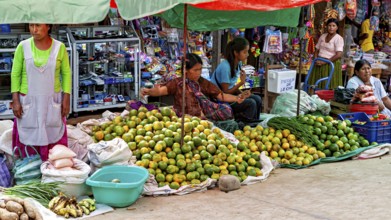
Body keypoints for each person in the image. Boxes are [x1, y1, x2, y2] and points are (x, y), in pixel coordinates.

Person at [140, 53, 250, 132]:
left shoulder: (203, 82)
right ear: (186, 70)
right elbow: (160, 90)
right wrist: (149, 91)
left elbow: (221, 96)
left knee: (230, 121)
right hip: (183, 122)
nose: (199, 73)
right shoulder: (177, 83)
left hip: (202, 121)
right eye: (195, 70)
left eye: (200, 69)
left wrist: (237, 98)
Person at [11, 24, 72, 161]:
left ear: (48, 26)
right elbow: (15, 74)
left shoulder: (59, 47)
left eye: (38, 25)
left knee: (52, 132)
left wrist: (66, 98)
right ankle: (29, 168)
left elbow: (66, 74)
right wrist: (15, 100)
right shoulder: (23, 46)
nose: (34, 29)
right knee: (29, 133)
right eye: (31, 25)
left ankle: (52, 170)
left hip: (51, 101)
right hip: (28, 101)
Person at [209, 37, 262, 122]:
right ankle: (246, 127)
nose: (247, 54)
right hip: (221, 100)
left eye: (247, 51)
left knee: (257, 99)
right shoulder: (225, 67)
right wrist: (241, 83)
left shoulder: (239, 64)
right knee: (251, 103)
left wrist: (242, 93)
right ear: (236, 53)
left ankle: (255, 125)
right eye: (245, 52)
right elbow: (225, 91)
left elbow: (231, 85)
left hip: (230, 95)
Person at [309, 18, 344, 90]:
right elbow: (317, 49)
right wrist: (316, 59)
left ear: (337, 27)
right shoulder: (323, 36)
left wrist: (325, 62)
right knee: (315, 84)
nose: (331, 28)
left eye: (333, 26)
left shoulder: (339, 38)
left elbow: (339, 55)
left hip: (331, 64)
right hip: (319, 62)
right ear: (326, 26)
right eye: (329, 25)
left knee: (328, 85)